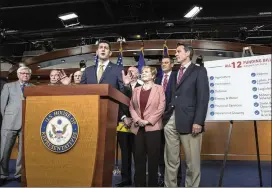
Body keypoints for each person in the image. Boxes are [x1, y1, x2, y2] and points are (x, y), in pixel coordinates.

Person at [164, 43, 209, 187]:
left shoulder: (199, 71)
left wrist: (198, 121)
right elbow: (172, 96)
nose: (175, 54)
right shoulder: (176, 72)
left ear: (188, 53)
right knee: (171, 160)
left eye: (178, 51)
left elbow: (203, 97)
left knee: (192, 162)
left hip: (190, 122)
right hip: (171, 121)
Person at [129, 66, 165, 187]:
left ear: (153, 75)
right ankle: (139, 184)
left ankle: (153, 184)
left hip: (153, 128)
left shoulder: (159, 88)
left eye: (146, 72)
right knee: (139, 158)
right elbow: (131, 107)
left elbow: (161, 107)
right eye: (142, 72)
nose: (143, 73)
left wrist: (148, 121)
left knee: (153, 159)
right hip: (138, 128)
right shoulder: (136, 90)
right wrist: (138, 120)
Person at [0, 66, 34, 186]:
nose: (25, 75)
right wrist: (7, 119)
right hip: (10, 122)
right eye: (23, 73)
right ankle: (2, 174)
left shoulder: (33, 88)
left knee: (22, 152)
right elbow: (2, 105)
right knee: (4, 150)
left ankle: (19, 174)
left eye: (27, 74)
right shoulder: (8, 86)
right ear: (18, 75)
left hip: (26, 122)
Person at [155, 57, 181, 187]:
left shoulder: (177, 77)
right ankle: (163, 177)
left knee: (173, 152)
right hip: (158, 119)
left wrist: (166, 114)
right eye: (162, 62)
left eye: (166, 62)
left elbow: (176, 97)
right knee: (161, 150)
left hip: (171, 118)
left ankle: (177, 178)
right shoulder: (158, 79)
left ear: (172, 64)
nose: (163, 64)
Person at [115, 66, 143, 187]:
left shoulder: (143, 87)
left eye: (134, 71)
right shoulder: (121, 87)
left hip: (137, 125)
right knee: (125, 153)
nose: (131, 73)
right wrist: (123, 117)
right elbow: (118, 105)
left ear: (138, 74)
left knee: (138, 153)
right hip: (123, 124)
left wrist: (135, 119)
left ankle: (139, 179)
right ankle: (126, 179)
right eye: (129, 71)